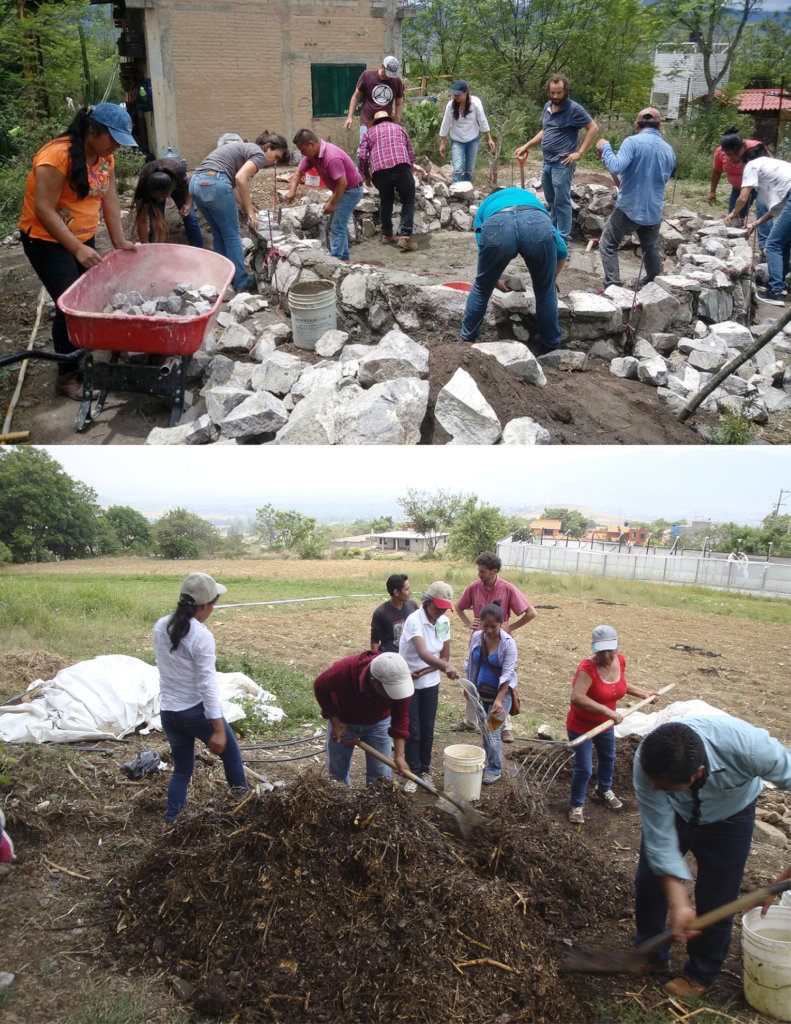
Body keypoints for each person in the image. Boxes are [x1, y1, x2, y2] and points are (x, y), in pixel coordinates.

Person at [633, 717, 791, 1000]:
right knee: (648, 881)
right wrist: (680, 904)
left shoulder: (752, 750)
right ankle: (652, 953)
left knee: (717, 898)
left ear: (697, 773)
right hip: (676, 812)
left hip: (731, 816)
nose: (654, 788)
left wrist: (781, 880)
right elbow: (659, 838)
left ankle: (700, 973)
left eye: (664, 785)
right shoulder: (648, 759)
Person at [17, 103, 138, 400]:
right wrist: (76, 248)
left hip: (83, 238)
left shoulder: (104, 158)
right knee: (69, 305)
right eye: (113, 140)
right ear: (92, 130)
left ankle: (81, 354)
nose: (116, 148)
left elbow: (109, 201)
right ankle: (67, 376)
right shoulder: (55, 156)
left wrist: (119, 241)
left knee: (90, 297)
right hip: (47, 241)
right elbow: (44, 210)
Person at [152, 572, 247, 823]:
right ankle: (245, 811)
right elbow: (207, 685)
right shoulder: (200, 635)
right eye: (214, 603)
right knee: (232, 755)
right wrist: (217, 729)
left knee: (182, 769)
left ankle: (171, 821)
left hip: (169, 713)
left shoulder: (161, 626)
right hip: (195, 711)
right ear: (204, 605)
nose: (213, 608)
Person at [567, 625, 659, 824]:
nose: (607, 655)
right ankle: (576, 804)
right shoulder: (587, 668)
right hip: (582, 726)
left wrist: (644, 693)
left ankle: (603, 789)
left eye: (610, 650)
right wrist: (608, 711)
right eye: (601, 651)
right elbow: (577, 698)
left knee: (608, 757)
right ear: (594, 649)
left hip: (606, 725)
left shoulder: (620, 660)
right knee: (583, 768)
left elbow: (620, 685)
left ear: (616, 646)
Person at [460, 186, 567, 350]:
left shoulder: (486, 205)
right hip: (536, 222)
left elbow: (485, 251)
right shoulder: (529, 199)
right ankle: (551, 346)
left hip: (498, 225)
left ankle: (467, 338)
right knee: (545, 291)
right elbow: (561, 251)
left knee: (482, 287)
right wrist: (551, 278)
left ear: (492, 195)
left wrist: (494, 280)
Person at [189, 132, 290, 292]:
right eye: (276, 156)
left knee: (219, 234)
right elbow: (240, 178)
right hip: (215, 183)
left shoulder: (244, 149)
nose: (273, 162)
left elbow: (232, 184)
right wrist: (250, 212)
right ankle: (241, 282)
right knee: (232, 236)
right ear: (269, 146)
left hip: (196, 183)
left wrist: (245, 204)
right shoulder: (259, 154)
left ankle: (223, 278)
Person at [454, 550, 537, 742]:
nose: (479, 575)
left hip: (500, 645)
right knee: (473, 676)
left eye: (483, 571)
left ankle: (504, 726)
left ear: (494, 571)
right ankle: (471, 721)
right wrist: (468, 623)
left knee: (503, 678)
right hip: (478, 642)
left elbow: (531, 613)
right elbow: (458, 606)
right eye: (479, 570)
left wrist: (510, 628)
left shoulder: (507, 588)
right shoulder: (474, 587)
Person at [596, 108, 676, 289]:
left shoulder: (632, 142)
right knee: (650, 248)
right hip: (653, 209)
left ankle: (613, 285)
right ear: (660, 126)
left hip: (629, 207)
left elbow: (616, 167)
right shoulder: (669, 150)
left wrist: (605, 147)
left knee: (608, 244)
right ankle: (653, 282)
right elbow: (663, 178)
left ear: (636, 125)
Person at [513, 74, 598, 243]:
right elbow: (545, 131)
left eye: (559, 93)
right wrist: (527, 145)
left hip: (563, 163)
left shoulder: (574, 109)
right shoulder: (548, 107)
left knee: (562, 201)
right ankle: (552, 234)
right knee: (551, 200)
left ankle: (563, 238)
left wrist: (579, 152)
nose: (556, 96)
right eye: (553, 93)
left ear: (565, 91)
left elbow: (593, 128)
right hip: (548, 161)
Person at [313, 650, 414, 785]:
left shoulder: (399, 682)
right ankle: (341, 802)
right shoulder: (345, 671)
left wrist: (399, 756)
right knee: (337, 775)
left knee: (381, 777)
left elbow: (400, 720)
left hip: (379, 722)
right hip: (344, 721)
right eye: (389, 692)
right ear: (374, 682)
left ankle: (377, 804)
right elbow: (319, 687)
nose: (394, 696)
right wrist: (335, 722)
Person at [398, 582, 460, 793]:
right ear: (428, 601)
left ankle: (424, 771)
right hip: (409, 684)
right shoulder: (414, 621)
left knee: (427, 729)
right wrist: (445, 667)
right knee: (412, 730)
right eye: (439, 606)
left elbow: (444, 655)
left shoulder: (443, 622)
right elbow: (424, 654)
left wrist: (435, 668)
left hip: (430, 682)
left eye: (445, 607)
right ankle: (412, 774)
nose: (442, 611)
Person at [721, 136, 791, 307]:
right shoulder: (772, 166)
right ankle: (778, 284)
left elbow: (743, 197)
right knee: (783, 243)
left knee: (773, 244)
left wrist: (733, 213)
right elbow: (776, 211)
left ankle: (775, 292)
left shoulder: (752, 165)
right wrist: (755, 224)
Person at [284, 129, 364, 261]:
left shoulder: (331, 157)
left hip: (351, 190)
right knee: (337, 224)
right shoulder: (312, 155)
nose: (302, 154)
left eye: (303, 150)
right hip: (342, 189)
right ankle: (343, 259)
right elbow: (299, 172)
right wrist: (292, 191)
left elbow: (342, 183)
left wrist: (331, 203)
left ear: (311, 144)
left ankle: (335, 262)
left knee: (337, 226)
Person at [464, 600, 518, 785]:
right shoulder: (477, 637)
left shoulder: (508, 644)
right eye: (485, 626)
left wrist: (499, 700)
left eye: (493, 626)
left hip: (502, 696)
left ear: (502, 623)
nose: (488, 630)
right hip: (480, 694)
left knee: (492, 731)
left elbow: (508, 674)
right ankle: (489, 763)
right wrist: (469, 688)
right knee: (484, 732)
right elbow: (472, 664)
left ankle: (495, 768)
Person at [358, 110, 418, 251]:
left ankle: (387, 235)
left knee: (386, 201)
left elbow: (362, 156)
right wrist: (409, 168)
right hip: (402, 166)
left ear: (375, 122)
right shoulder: (400, 129)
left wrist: (366, 175)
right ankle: (405, 236)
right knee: (408, 200)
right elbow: (410, 152)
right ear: (389, 119)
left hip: (380, 171)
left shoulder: (368, 133)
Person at [708, 132, 770, 251]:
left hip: (761, 186)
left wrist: (736, 210)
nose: (731, 158)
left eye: (735, 154)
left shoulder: (756, 150)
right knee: (734, 218)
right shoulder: (721, 151)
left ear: (743, 147)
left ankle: (765, 248)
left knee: (762, 209)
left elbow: (768, 170)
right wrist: (712, 191)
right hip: (738, 187)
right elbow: (716, 171)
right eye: (728, 155)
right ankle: (735, 245)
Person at [131, 158, 203, 247]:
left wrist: (187, 204)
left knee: (190, 218)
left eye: (164, 196)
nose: (161, 199)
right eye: (158, 197)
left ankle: (198, 249)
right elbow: (142, 221)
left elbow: (190, 182)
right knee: (155, 224)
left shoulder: (179, 174)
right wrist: (145, 246)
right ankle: (154, 250)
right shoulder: (143, 189)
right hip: (153, 190)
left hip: (178, 186)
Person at [438, 81, 496, 184]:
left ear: (466, 92)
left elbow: (482, 120)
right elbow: (445, 124)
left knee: (469, 169)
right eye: (454, 94)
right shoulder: (450, 105)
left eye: (458, 94)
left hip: (473, 138)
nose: (456, 96)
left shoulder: (475, 103)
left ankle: (466, 191)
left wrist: (489, 138)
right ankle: (456, 191)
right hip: (457, 139)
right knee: (457, 168)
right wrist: (442, 143)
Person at [344, 55, 404, 142]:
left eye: (392, 74)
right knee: (363, 148)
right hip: (367, 120)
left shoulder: (397, 81)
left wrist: (397, 121)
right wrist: (350, 117)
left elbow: (399, 103)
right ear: (382, 66)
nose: (389, 77)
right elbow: (356, 97)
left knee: (382, 149)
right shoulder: (367, 76)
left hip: (385, 122)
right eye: (388, 73)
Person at [370, 573, 418, 653]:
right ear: (396, 592)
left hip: (410, 656)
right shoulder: (380, 613)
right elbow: (375, 640)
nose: (410, 592)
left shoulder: (413, 606)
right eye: (407, 589)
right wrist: (375, 657)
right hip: (391, 659)